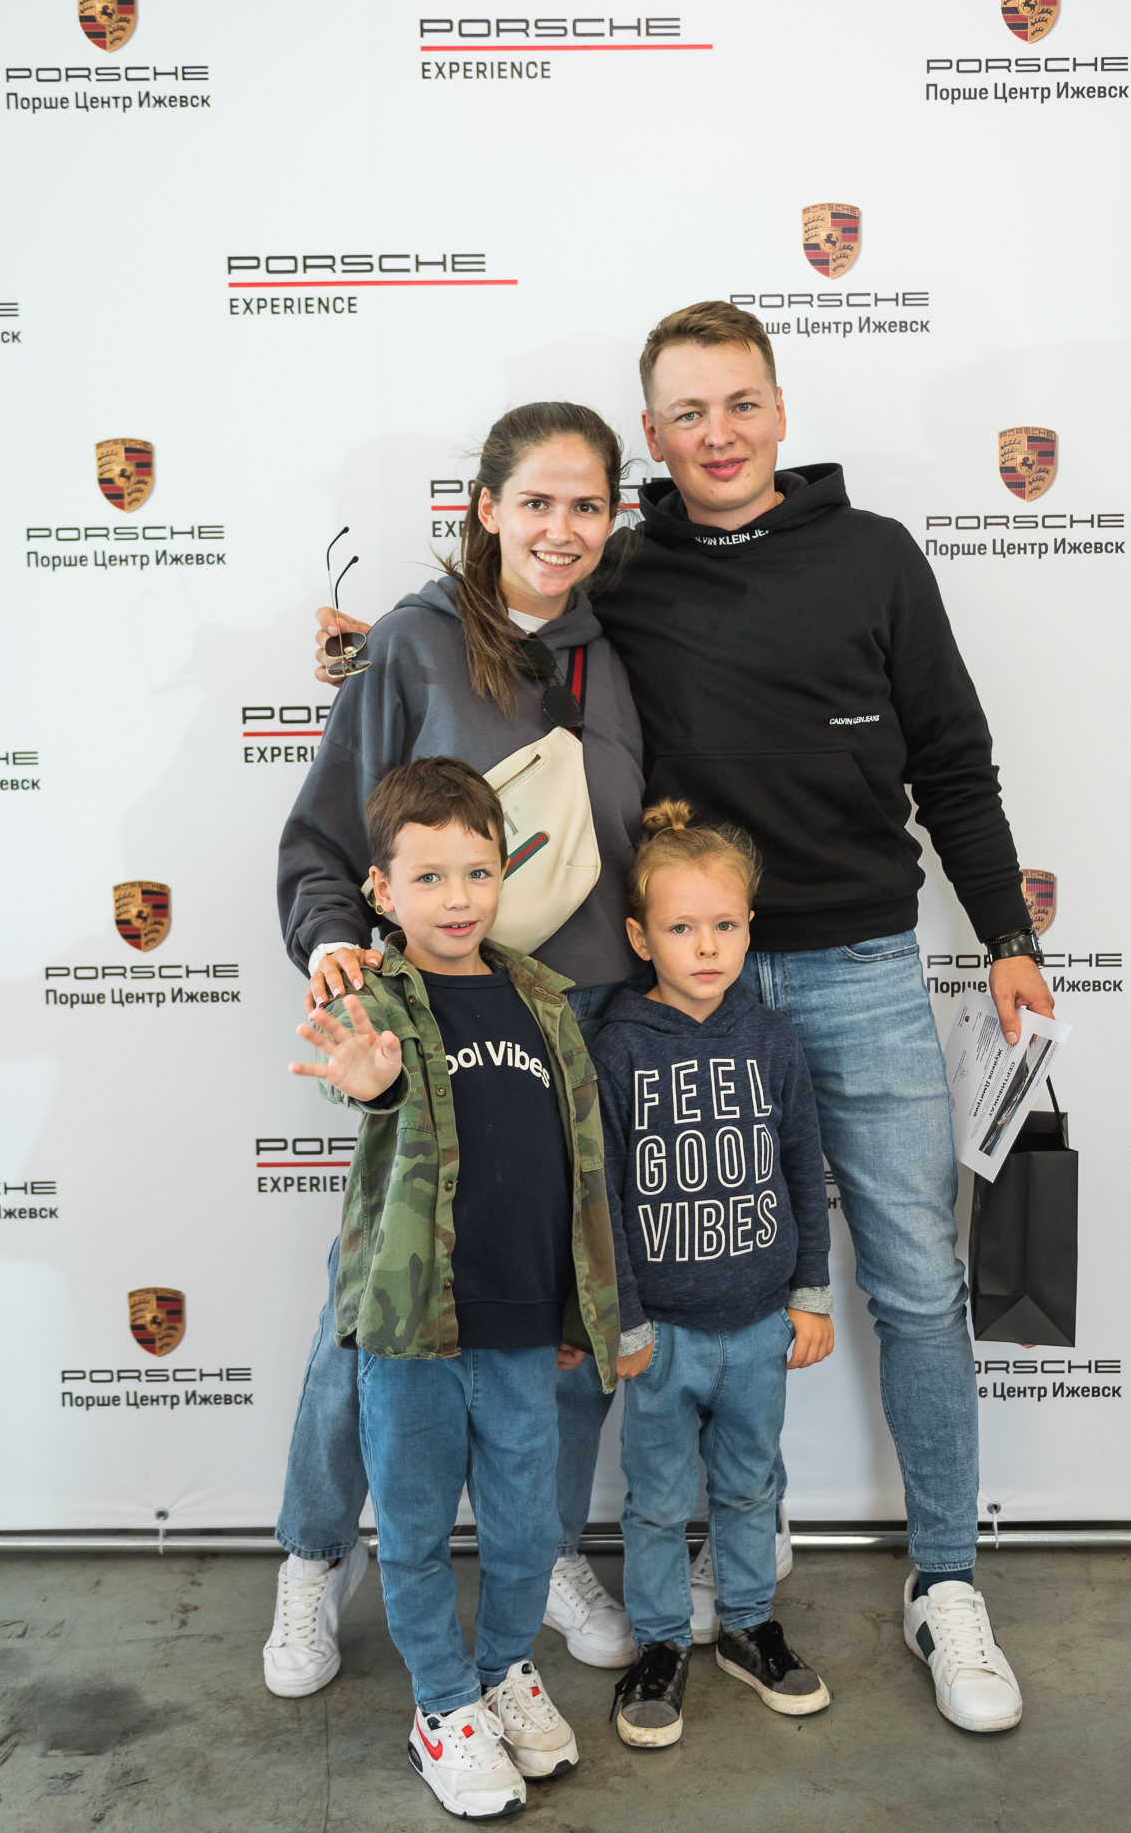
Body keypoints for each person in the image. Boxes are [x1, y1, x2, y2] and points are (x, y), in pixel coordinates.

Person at [314, 301, 1048, 1733]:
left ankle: (947, 1584)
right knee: (607, 1281)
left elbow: (954, 761)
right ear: (651, 435)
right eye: (687, 414)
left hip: (857, 966)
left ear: (780, 411)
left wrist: (1006, 938)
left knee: (914, 1283)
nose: (717, 435)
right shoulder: (619, 569)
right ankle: (618, 1563)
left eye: (740, 404)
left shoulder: (875, 556)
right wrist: (369, 653)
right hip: (657, 987)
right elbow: (496, 623)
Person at [268, 401, 788, 1701]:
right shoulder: (411, 643)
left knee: (571, 1304)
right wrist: (331, 944)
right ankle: (314, 1553)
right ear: (486, 509)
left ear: (615, 519)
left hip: (588, 1026)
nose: (562, 529)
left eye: (587, 505)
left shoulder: (620, 649)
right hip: (436, 1031)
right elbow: (325, 836)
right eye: (537, 501)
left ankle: (544, 1547)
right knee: (372, 1309)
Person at [287, 755, 618, 1817]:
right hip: (412, 1332)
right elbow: (365, 1085)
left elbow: (578, 1167)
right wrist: (372, 1088)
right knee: (418, 1532)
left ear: (503, 873)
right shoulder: (375, 996)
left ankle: (502, 1671)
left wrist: (582, 1310)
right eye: (427, 878)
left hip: (523, 1328)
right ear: (380, 890)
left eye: (477, 872)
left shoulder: (542, 999)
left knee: (526, 1530)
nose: (457, 898)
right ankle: (442, 1705)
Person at [599, 803, 833, 1747]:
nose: (706, 947)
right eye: (681, 928)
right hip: (661, 1335)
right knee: (656, 1502)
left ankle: (747, 1625)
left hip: (760, 1327)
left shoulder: (772, 1038)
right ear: (639, 937)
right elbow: (603, 1198)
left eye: (725, 925)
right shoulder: (618, 1046)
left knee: (748, 1489)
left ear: (749, 928)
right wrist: (625, 1321)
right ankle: (661, 1643)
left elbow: (803, 1169)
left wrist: (809, 1295)